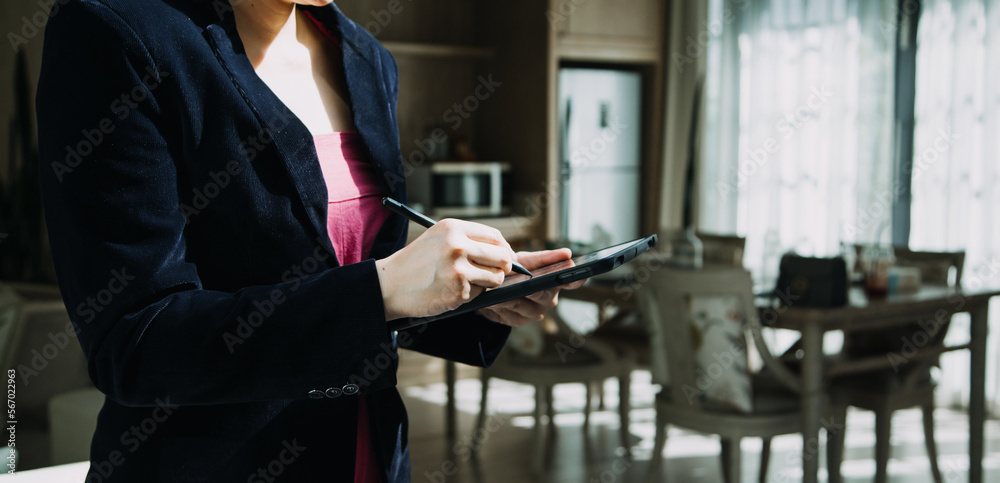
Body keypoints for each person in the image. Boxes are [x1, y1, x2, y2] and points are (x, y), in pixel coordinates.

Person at [35, 0, 577, 480]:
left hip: (371, 454)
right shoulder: (118, 31)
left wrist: (468, 295)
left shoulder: (365, 55)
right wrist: (381, 289)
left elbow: (349, 274)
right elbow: (136, 343)